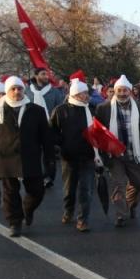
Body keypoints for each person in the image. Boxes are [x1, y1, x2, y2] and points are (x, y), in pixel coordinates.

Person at [0, 76, 55, 237]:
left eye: (19, 88)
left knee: (37, 191)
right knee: (10, 194)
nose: (16, 92)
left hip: (30, 157)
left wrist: (50, 157)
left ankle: (27, 209)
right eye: (13, 89)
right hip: (7, 158)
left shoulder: (35, 110)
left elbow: (46, 136)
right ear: (7, 91)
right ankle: (15, 223)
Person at [95, 75, 140, 227]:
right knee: (119, 184)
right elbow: (97, 132)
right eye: (119, 90)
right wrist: (97, 153)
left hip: (135, 153)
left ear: (130, 91)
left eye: (125, 90)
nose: (122, 93)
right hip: (115, 155)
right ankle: (121, 215)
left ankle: (130, 206)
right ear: (114, 91)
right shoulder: (103, 108)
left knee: (138, 185)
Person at [49, 79, 99, 232]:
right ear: (74, 94)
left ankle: (83, 219)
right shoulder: (61, 110)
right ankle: (68, 210)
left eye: (86, 93)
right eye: (82, 93)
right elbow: (52, 131)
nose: (85, 96)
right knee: (69, 189)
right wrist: (62, 144)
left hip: (88, 156)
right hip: (69, 157)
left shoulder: (91, 109)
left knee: (86, 190)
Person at [26, 68, 64, 188]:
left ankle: (48, 177)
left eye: (47, 74)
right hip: (32, 127)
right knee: (34, 153)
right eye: (43, 74)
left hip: (49, 127)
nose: (46, 76)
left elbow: (60, 107)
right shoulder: (27, 91)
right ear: (36, 76)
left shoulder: (54, 92)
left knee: (48, 154)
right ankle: (37, 176)